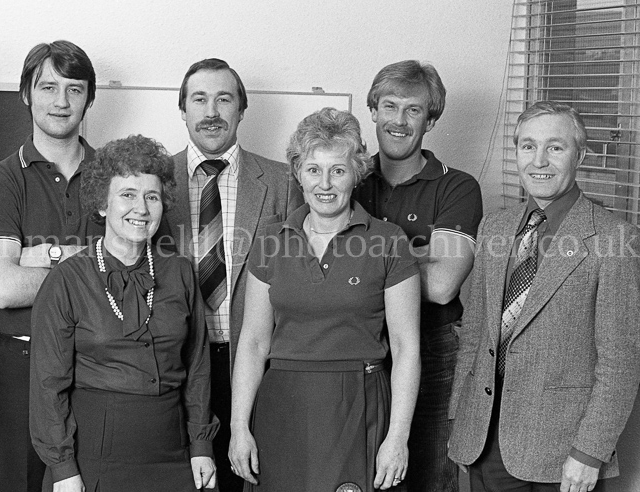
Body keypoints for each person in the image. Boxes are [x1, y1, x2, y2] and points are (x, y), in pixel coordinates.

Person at [448, 101, 640, 492]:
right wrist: (460, 420)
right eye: (527, 146)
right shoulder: (495, 227)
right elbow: (474, 334)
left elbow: (621, 363)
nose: (540, 161)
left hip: (563, 455)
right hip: (485, 441)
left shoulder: (614, 238)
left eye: (555, 147)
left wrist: (590, 454)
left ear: (580, 154)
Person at [229, 108, 421, 492]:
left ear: (357, 174)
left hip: (358, 403)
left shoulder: (389, 240)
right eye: (314, 170)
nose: (325, 183)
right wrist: (238, 427)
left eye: (338, 169)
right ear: (298, 173)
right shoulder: (269, 241)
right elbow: (252, 343)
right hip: (281, 408)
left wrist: (397, 438)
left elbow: (406, 347)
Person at [29, 135, 219, 491]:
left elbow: (197, 367)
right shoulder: (67, 280)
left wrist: (202, 445)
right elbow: (47, 385)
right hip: (93, 453)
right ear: (102, 203)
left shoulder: (179, 272)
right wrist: (63, 469)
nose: (141, 209)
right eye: (127, 195)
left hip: (175, 449)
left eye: (152, 196)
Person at [159, 58, 302, 491]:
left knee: (256, 480)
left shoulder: (284, 182)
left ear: (243, 108)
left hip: (258, 367)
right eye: (199, 99)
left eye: (225, 99)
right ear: (182, 109)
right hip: (178, 369)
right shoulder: (153, 183)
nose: (212, 111)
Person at [0, 40, 102, 492]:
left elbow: (134, 275)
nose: (61, 101)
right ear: (26, 94)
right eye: (47, 87)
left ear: (90, 97)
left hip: (103, 358)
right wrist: (82, 259)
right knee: (25, 485)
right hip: (23, 365)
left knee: (101, 481)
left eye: (74, 88)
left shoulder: (116, 177)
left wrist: (39, 255)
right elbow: (5, 288)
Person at [352, 60, 483, 492]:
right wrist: (418, 254)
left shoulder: (457, 187)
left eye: (414, 110)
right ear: (372, 111)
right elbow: (317, 270)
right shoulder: (344, 179)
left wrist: (361, 265)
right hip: (354, 343)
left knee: (426, 474)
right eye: (389, 106)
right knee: (354, 472)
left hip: (434, 347)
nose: (399, 120)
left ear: (431, 119)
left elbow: (444, 285)